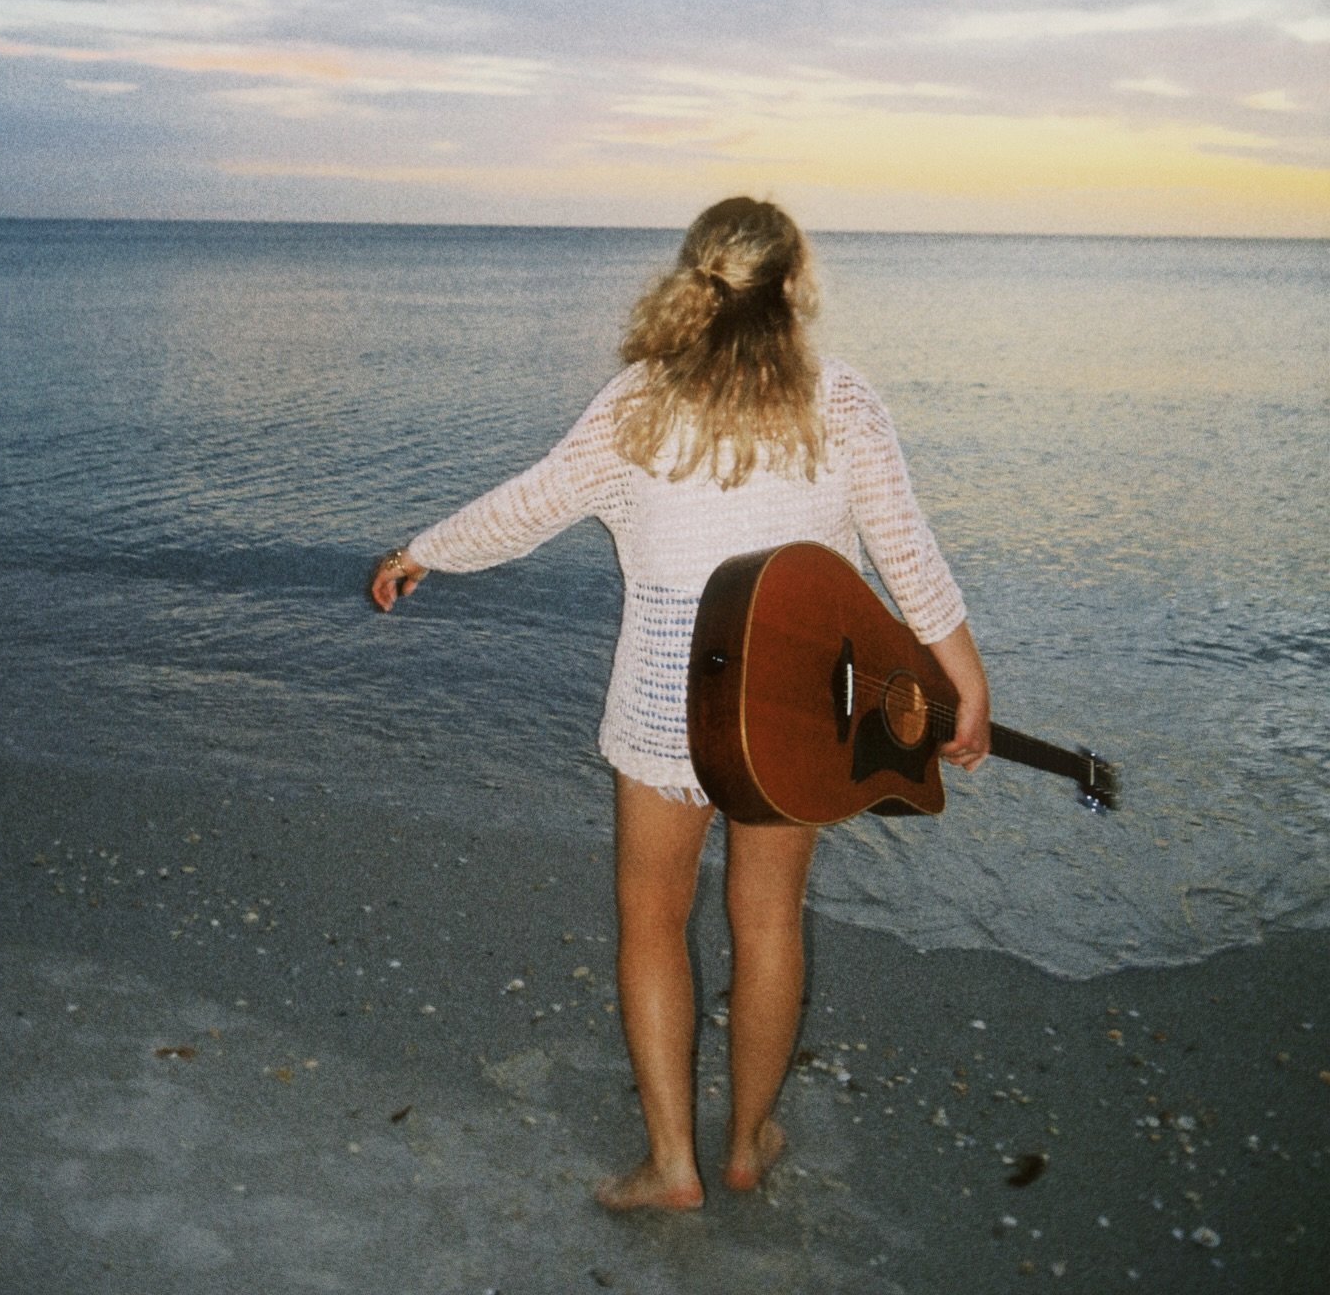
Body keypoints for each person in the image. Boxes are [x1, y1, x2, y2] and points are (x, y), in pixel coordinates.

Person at [368, 196, 990, 1211]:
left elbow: (528, 505)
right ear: (795, 288)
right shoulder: (844, 403)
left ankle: (672, 1166)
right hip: (792, 719)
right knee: (769, 922)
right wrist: (967, 680)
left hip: (666, 713)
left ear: (692, 281)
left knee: (652, 920)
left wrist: (421, 551)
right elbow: (907, 555)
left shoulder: (637, 407)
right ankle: (747, 1142)